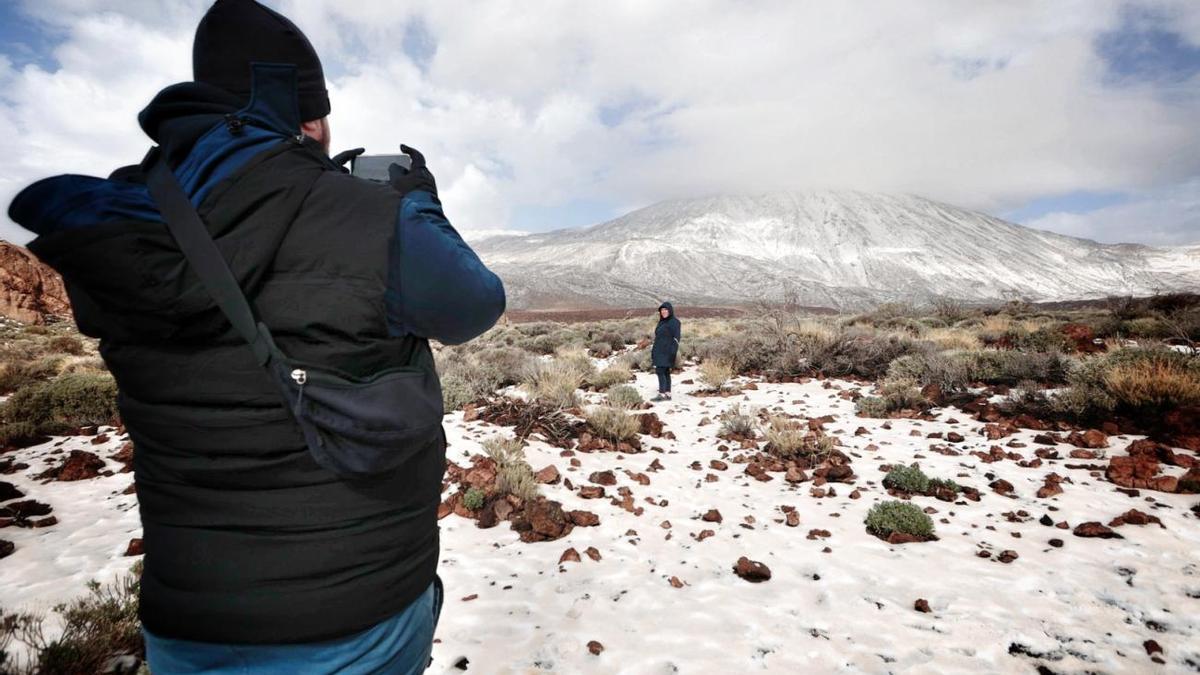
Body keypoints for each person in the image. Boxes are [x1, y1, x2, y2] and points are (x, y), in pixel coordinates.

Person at [8, 0, 505, 672]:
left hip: (189, 622)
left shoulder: (125, 222)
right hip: (356, 613)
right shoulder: (371, 217)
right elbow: (474, 304)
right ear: (305, 114)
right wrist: (417, 203)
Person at [651, 302, 681, 401]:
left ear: (670, 310)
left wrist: (673, 351)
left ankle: (662, 394)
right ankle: (668, 394)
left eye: (665, 309)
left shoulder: (674, 322)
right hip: (659, 350)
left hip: (667, 350)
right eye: (662, 310)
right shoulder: (662, 322)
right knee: (665, 371)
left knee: (660, 371)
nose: (663, 312)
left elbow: (676, 338)